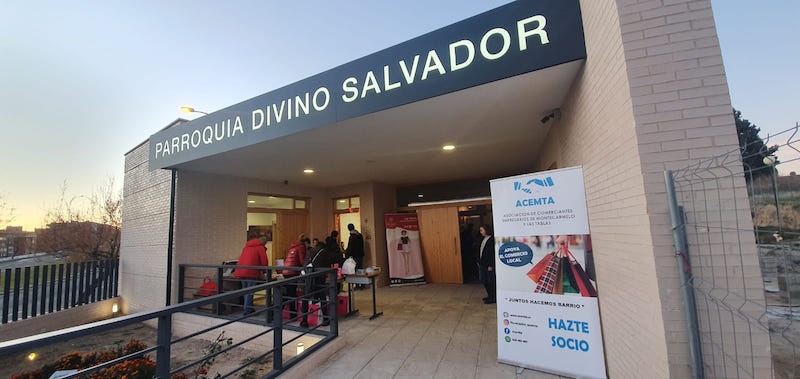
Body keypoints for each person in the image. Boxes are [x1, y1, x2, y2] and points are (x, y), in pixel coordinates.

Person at [299, 240, 339, 328]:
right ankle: (325, 319)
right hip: (318, 279)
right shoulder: (324, 253)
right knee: (322, 297)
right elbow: (327, 267)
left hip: (306, 277)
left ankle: (304, 321)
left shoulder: (310, 251)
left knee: (306, 297)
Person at [234, 235, 269, 315]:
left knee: (245, 291)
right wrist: (263, 272)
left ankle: (249, 308)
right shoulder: (260, 247)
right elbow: (264, 262)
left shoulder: (246, 247)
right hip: (251, 272)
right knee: (250, 292)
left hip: (241, 271)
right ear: (264, 242)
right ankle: (247, 311)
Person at [282, 234, 309, 315]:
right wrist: (307, 266)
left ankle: (274, 311)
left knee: (287, 293)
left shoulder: (293, 246)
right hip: (292, 272)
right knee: (292, 293)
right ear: (305, 242)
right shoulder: (301, 247)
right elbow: (302, 261)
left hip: (286, 271)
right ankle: (292, 313)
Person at [477, 225, 496, 304]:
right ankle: (489, 295)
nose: (480, 232)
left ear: (486, 230)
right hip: (482, 263)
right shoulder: (483, 239)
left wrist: (491, 265)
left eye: (482, 230)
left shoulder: (491, 240)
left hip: (488, 265)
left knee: (490, 281)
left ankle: (493, 297)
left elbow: (491, 254)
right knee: (483, 279)